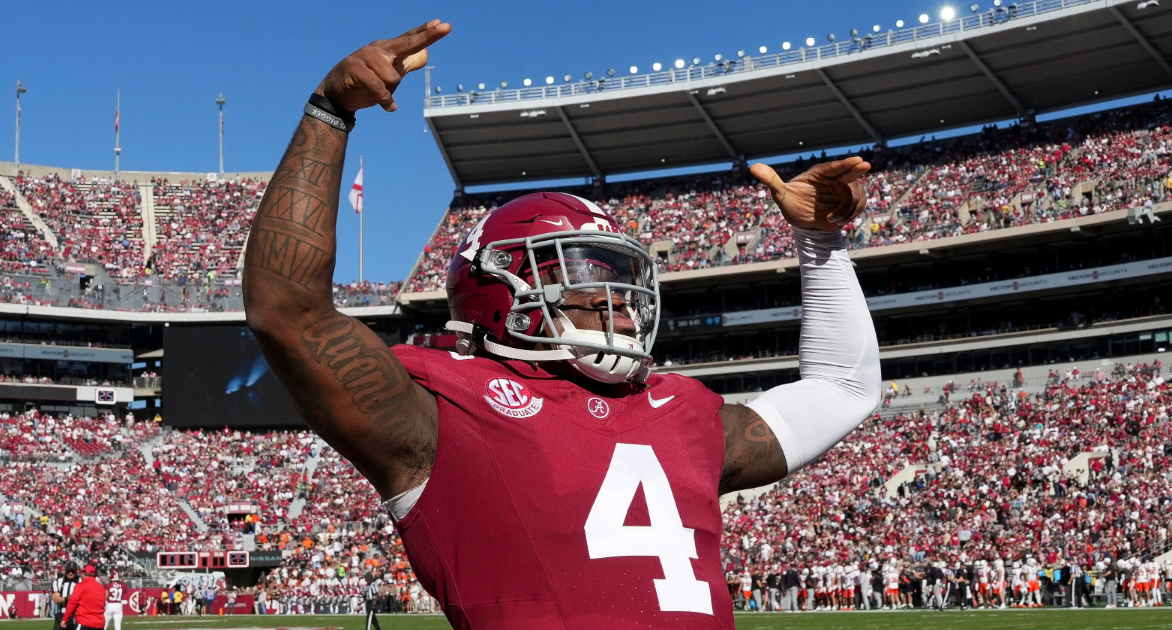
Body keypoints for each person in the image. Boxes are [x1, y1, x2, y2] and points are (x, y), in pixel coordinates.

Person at [242, 19, 878, 630]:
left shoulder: (687, 413)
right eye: (584, 274)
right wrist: (330, 112)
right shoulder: (440, 408)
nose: (617, 299)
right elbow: (289, 311)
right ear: (499, 288)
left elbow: (844, 388)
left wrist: (820, 243)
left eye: (621, 276)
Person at [62, 565, 106, 630]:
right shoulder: (101, 587)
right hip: (99, 624)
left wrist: (65, 619)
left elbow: (72, 603)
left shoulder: (80, 586)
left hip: (84, 622)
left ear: (84, 573)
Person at [52, 564, 78, 630]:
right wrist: (66, 598)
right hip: (62, 615)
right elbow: (55, 599)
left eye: (72, 571)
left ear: (76, 571)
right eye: (69, 571)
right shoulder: (58, 582)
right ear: (65, 571)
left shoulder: (81, 581)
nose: (70, 573)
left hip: (77, 615)